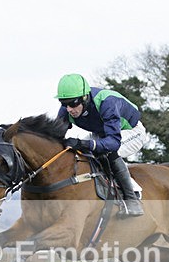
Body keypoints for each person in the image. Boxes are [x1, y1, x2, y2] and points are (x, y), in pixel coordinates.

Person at [55, 73, 146, 217]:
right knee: (77, 152)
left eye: (73, 103)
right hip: (103, 133)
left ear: (85, 98)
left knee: (107, 152)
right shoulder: (67, 109)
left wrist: (84, 143)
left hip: (130, 132)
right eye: (64, 103)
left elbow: (113, 143)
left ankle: (132, 199)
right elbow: (55, 137)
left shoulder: (106, 103)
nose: (69, 109)